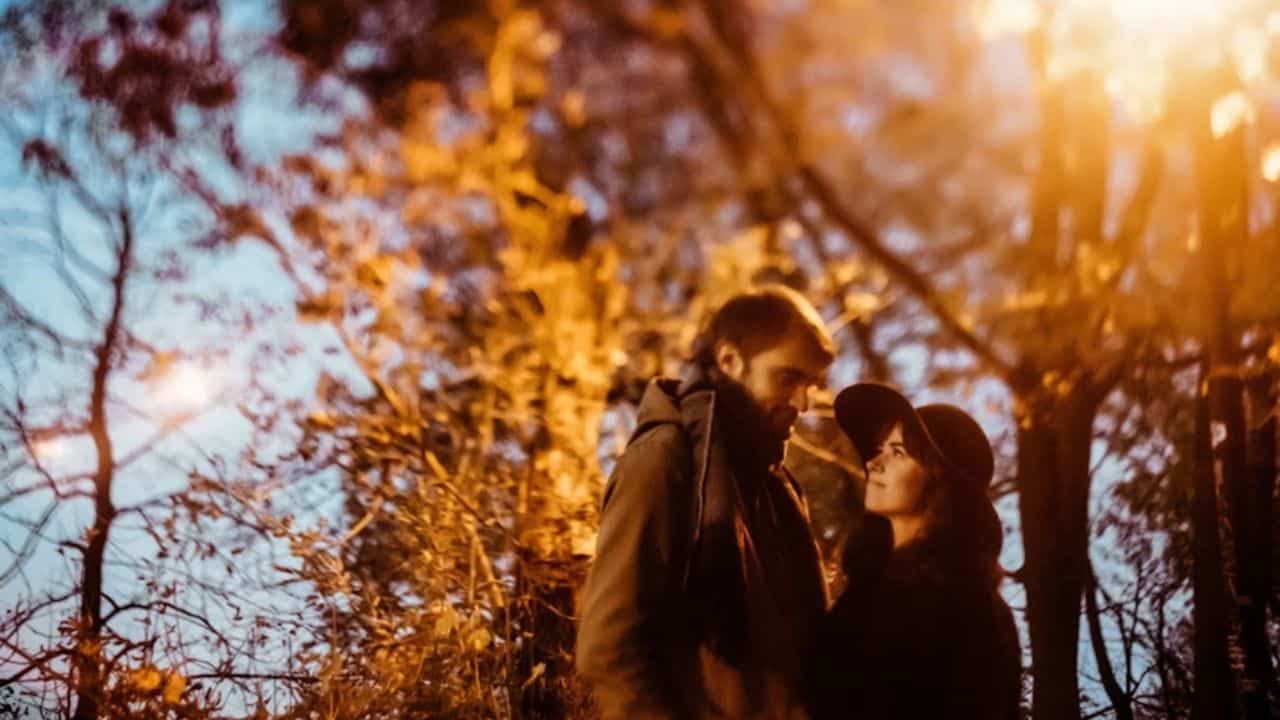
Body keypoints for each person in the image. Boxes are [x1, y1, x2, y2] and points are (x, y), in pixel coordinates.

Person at [576, 285, 837, 720]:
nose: (802, 402)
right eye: (788, 377)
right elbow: (609, 648)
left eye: (809, 384)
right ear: (730, 361)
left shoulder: (773, 485)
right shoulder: (665, 458)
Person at [807, 383, 1022, 720]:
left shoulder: (968, 608)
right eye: (879, 448)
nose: (874, 463)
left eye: (898, 452)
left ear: (941, 482)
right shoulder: (868, 589)